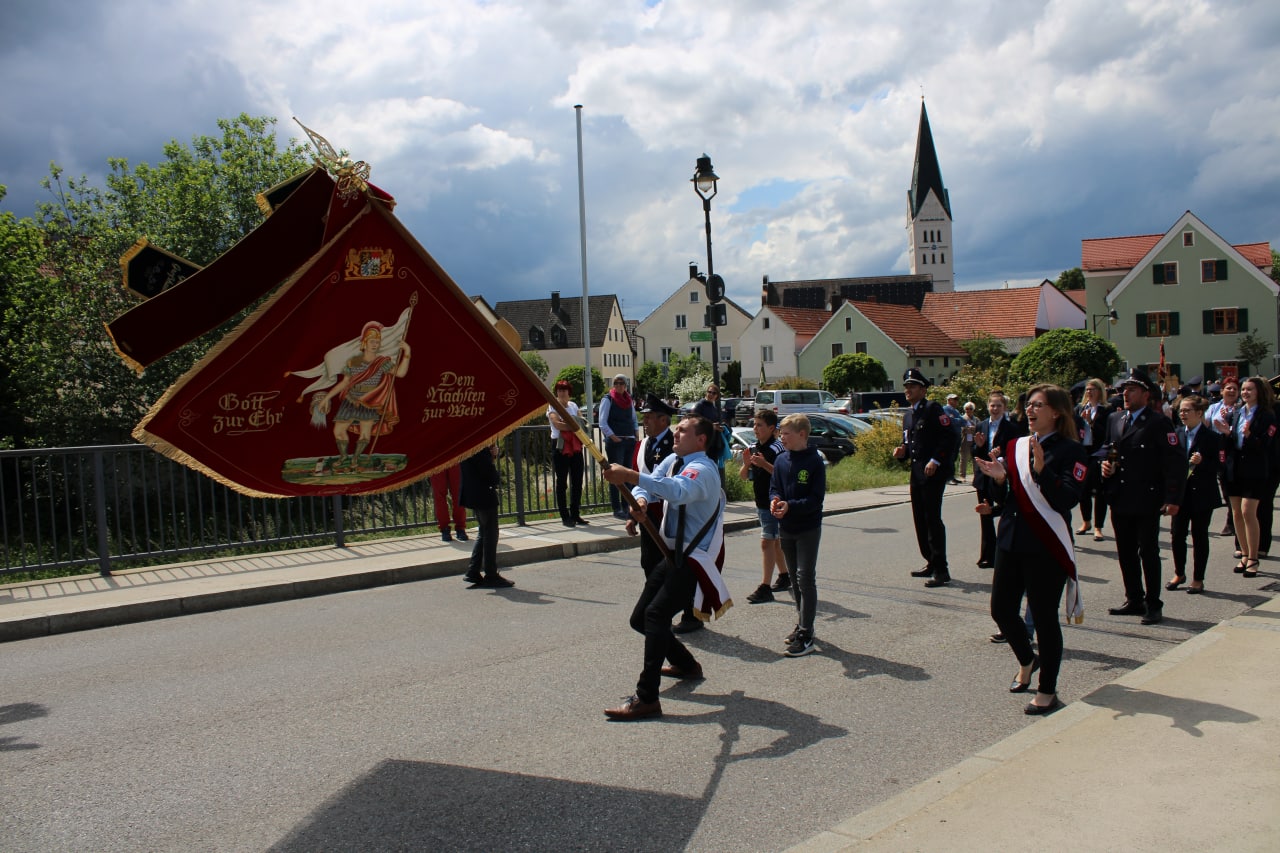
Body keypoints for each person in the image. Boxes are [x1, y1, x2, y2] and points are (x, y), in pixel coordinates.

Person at [601, 416, 728, 721]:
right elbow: (654, 486)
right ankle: (686, 664)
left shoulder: (703, 469)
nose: (676, 432)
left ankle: (647, 698)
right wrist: (641, 503)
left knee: (655, 616)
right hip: (673, 554)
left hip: (693, 560)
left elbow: (677, 490)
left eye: (683, 430)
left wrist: (629, 476)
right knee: (640, 619)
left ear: (701, 440)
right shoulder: (674, 459)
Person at [975, 384, 1088, 716]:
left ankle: (1047, 690)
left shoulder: (1071, 451)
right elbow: (1009, 497)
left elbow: (1066, 499)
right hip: (1011, 539)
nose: (1030, 410)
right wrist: (997, 480)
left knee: (1043, 618)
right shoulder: (1015, 446)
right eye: (1029, 405)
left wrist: (1043, 470)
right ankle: (1027, 659)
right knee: (1001, 610)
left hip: (1045, 545)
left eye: (1038, 405)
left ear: (1056, 412)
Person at [1101, 370, 1184, 624]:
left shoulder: (1158, 422)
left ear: (1146, 395)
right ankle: (1134, 599)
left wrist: (1173, 497)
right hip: (1121, 495)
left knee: (1148, 552)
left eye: (1132, 390)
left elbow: (1175, 461)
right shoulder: (1115, 419)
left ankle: (1153, 602)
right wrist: (1105, 465)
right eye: (1123, 390)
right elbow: (1108, 449)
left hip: (1147, 497)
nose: (1125, 394)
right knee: (1125, 551)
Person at [894, 368, 957, 586]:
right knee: (920, 520)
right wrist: (902, 452)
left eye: (912, 386)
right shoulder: (909, 415)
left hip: (933, 473)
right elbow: (910, 444)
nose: (908, 390)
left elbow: (949, 437)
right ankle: (930, 560)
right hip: (916, 473)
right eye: (906, 386)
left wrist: (936, 460)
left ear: (923, 389)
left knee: (932, 520)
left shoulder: (933, 409)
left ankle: (942, 569)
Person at [771, 414, 827, 656]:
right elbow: (774, 487)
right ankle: (802, 622)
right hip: (787, 527)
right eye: (781, 433)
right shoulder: (782, 459)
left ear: (802, 434)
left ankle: (806, 632)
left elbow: (816, 499)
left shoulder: (814, 461)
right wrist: (774, 501)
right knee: (794, 580)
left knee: (805, 578)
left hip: (807, 527)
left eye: (786, 434)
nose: (782, 438)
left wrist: (791, 505)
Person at [1214, 376, 1277, 578]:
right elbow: (1232, 442)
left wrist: (1250, 436)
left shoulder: (1267, 415)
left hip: (1255, 468)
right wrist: (1226, 433)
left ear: (1259, 392)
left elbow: (1266, 444)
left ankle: (1253, 557)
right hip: (1235, 469)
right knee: (1237, 514)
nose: (1245, 393)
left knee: (1248, 512)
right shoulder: (1236, 413)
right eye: (1243, 390)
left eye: (1249, 389)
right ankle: (1244, 554)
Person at [1168, 395, 1221, 594]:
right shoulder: (1176, 434)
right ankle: (1179, 573)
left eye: (1187, 410)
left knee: (1199, 537)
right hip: (1180, 495)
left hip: (1202, 495)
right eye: (1180, 410)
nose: (1182, 414)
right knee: (1177, 535)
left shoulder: (1212, 437)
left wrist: (1203, 462)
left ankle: (1198, 578)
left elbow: (1219, 465)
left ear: (1199, 413)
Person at [973, 390, 1023, 570]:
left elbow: (1015, 453)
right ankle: (988, 555)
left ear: (1005, 408)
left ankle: (1006, 551)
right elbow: (975, 452)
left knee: (1003, 511)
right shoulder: (981, 425)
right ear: (987, 406)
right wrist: (978, 447)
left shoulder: (1012, 428)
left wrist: (1000, 457)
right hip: (983, 475)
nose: (994, 409)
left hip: (1002, 476)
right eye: (992, 405)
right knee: (985, 515)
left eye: (998, 406)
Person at [742, 410, 788, 603]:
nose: (755, 429)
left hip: (774, 500)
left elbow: (784, 473)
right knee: (774, 541)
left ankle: (765, 586)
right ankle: (785, 575)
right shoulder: (753, 447)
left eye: (759, 425)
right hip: (760, 501)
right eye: (754, 425)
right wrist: (746, 465)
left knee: (766, 541)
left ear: (771, 428)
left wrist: (764, 464)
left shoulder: (777, 448)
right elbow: (744, 476)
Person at [629, 394, 679, 573]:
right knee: (649, 562)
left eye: (649, 417)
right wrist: (632, 515)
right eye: (644, 417)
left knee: (667, 564)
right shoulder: (641, 446)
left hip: (667, 517)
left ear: (663, 420)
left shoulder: (675, 445)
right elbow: (637, 481)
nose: (645, 421)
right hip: (646, 515)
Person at [460, 444, 514, 588]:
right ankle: (490, 574)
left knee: (483, 532)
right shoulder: (478, 447)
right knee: (490, 533)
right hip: (482, 493)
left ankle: (473, 570)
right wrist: (492, 459)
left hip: (474, 492)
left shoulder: (469, 444)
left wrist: (492, 455)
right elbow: (488, 473)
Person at [547, 380, 588, 528]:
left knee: (577, 481)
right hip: (560, 445)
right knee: (562, 482)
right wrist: (573, 426)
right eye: (559, 390)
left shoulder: (574, 406)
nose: (561, 393)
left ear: (569, 392)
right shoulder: (553, 406)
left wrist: (571, 425)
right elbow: (557, 424)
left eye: (564, 390)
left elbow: (582, 422)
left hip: (575, 445)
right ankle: (565, 516)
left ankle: (575, 513)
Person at [1075, 378, 1111, 542]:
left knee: (1099, 491)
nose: (1089, 392)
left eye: (1093, 389)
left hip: (1099, 453)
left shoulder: (1106, 410)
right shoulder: (1080, 409)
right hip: (1083, 452)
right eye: (1087, 389)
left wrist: (1091, 422)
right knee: (1083, 489)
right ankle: (1086, 521)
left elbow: (1106, 433)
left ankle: (1098, 526)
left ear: (1100, 391)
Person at [599, 374, 638, 520]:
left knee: (628, 474)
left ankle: (626, 505)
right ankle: (616, 508)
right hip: (616, 442)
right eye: (616, 383)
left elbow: (634, 419)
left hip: (629, 440)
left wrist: (635, 434)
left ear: (626, 385)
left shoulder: (629, 399)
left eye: (622, 383)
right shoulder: (608, 399)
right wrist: (613, 437)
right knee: (615, 474)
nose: (619, 385)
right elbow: (602, 422)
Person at [1207, 377, 1241, 537]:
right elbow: (1205, 423)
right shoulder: (1214, 407)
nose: (1232, 391)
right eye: (1229, 388)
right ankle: (1232, 515)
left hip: (1233, 448)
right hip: (1216, 446)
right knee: (1222, 482)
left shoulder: (1241, 408)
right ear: (1222, 391)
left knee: (1230, 482)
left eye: (1235, 388)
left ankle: (1231, 520)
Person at [429, 464, 467, 542]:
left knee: (458, 494)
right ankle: (444, 529)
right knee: (439, 496)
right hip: (436, 460)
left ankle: (460, 528)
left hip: (454, 458)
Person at [944, 393, 964, 484]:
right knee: (950, 457)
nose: (956, 401)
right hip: (950, 436)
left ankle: (952, 476)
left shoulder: (956, 411)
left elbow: (963, 421)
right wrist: (957, 420)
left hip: (957, 436)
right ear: (949, 400)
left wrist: (957, 419)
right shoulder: (945, 409)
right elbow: (950, 420)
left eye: (957, 399)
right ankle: (948, 477)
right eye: (954, 399)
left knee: (954, 457)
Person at [958, 401, 977, 482]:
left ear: (973, 409)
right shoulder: (962, 418)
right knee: (964, 459)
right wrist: (966, 429)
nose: (968, 410)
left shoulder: (976, 419)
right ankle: (962, 475)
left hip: (974, 440)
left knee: (975, 459)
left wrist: (974, 428)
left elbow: (980, 428)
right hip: (965, 440)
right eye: (966, 409)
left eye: (970, 408)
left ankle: (976, 475)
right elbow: (960, 428)